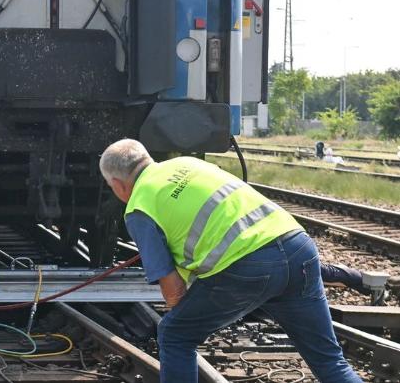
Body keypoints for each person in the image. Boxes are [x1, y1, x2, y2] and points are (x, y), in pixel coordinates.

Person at [99, 139, 361, 383]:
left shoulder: (139, 207)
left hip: (247, 267)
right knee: (329, 361)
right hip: (298, 247)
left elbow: (173, 289)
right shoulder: (189, 163)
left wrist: (188, 316)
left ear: (118, 184)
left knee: (175, 334)